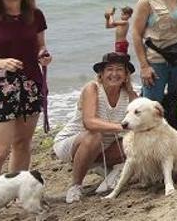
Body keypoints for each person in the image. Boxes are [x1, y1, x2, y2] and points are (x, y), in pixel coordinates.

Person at [0, 0, 52, 177]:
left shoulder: (35, 15)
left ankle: (13, 192)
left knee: (22, 143)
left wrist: (43, 55)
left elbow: (39, 46)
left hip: (30, 84)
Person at [54, 53, 137, 203]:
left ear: (126, 75)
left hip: (105, 148)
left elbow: (141, 122)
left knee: (137, 139)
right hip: (74, 142)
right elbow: (89, 123)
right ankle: (76, 186)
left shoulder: (131, 96)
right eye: (109, 69)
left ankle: (115, 169)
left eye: (119, 69)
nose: (114, 74)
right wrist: (121, 126)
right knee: (95, 135)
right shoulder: (92, 88)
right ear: (102, 74)